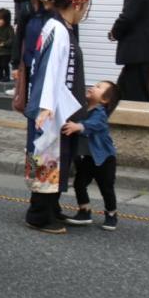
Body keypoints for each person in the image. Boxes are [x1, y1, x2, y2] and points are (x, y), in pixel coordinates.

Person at [23, 0, 92, 234]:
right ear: (77, 4)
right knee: (48, 156)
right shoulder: (58, 29)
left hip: (58, 104)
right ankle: (38, 214)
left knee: (56, 156)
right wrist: (46, 106)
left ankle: (50, 207)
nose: (84, 11)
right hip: (51, 105)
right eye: (84, 6)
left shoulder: (60, 27)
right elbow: (49, 70)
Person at [63, 80, 121, 232]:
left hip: (105, 159)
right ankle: (84, 211)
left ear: (105, 100)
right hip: (89, 158)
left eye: (98, 87)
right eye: (95, 84)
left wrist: (79, 126)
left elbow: (95, 125)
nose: (93, 87)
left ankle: (111, 214)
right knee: (79, 183)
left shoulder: (100, 113)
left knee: (106, 188)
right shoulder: (83, 109)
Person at [0, 8, 14, 81]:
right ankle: (0, 75)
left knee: (5, 64)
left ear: (6, 20)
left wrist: (4, 44)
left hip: (7, 52)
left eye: (0, 19)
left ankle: (7, 76)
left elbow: (12, 39)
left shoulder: (9, 28)